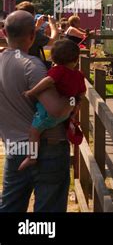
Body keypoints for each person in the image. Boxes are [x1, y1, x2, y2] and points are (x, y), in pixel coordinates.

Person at [0, 11, 73, 212]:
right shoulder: (32, 66)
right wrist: (74, 100)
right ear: (33, 35)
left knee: (10, 207)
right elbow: (56, 110)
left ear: (4, 31)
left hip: (15, 149)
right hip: (48, 148)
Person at [19, 39, 86, 170]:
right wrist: (75, 108)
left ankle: (31, 157)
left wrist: (31, 92)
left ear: (54, 58)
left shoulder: (58, 70)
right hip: (65, 113)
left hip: (48, 113)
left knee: (34, 132)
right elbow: (82, 93)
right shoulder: (78, 75)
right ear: (76, 59)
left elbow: (48, 82)